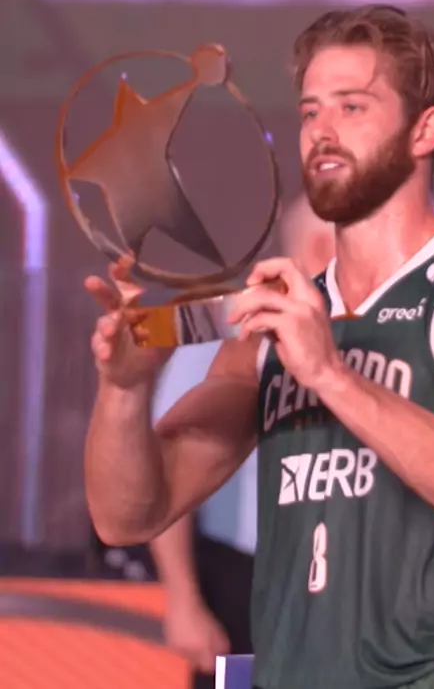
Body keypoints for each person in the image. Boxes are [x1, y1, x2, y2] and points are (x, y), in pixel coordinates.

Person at [84, 5, 434, 689]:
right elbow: (128, 516)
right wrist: (124, 390)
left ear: (426, 129)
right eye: (309, 111)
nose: (322, 131)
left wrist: (331, 375)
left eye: (352, 107)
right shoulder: (276, 323)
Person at [148, 204, 334, 687]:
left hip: (339, 587)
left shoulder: (364, 339)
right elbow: (169, 471)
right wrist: (183, 601)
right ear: (322, 248)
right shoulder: (225, 328)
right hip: (239, 586)